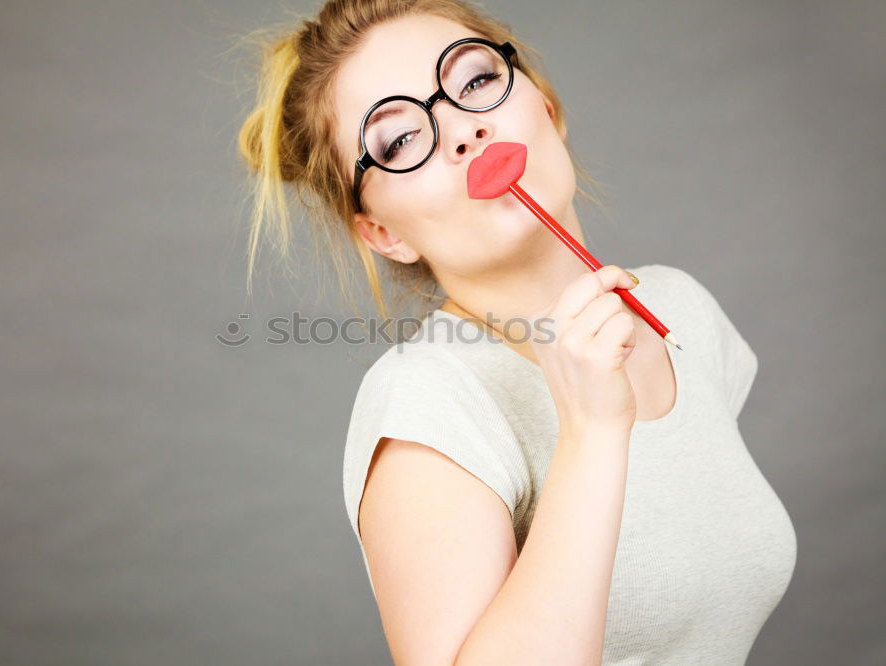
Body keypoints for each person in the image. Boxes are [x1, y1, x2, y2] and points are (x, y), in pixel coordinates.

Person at [235, 1, 797, 663]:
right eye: (400, 140)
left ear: (547, 107)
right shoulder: (429, 404)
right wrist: (589, 435)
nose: (461, 132)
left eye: (473, 81)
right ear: (384, 233)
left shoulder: (679, 310)